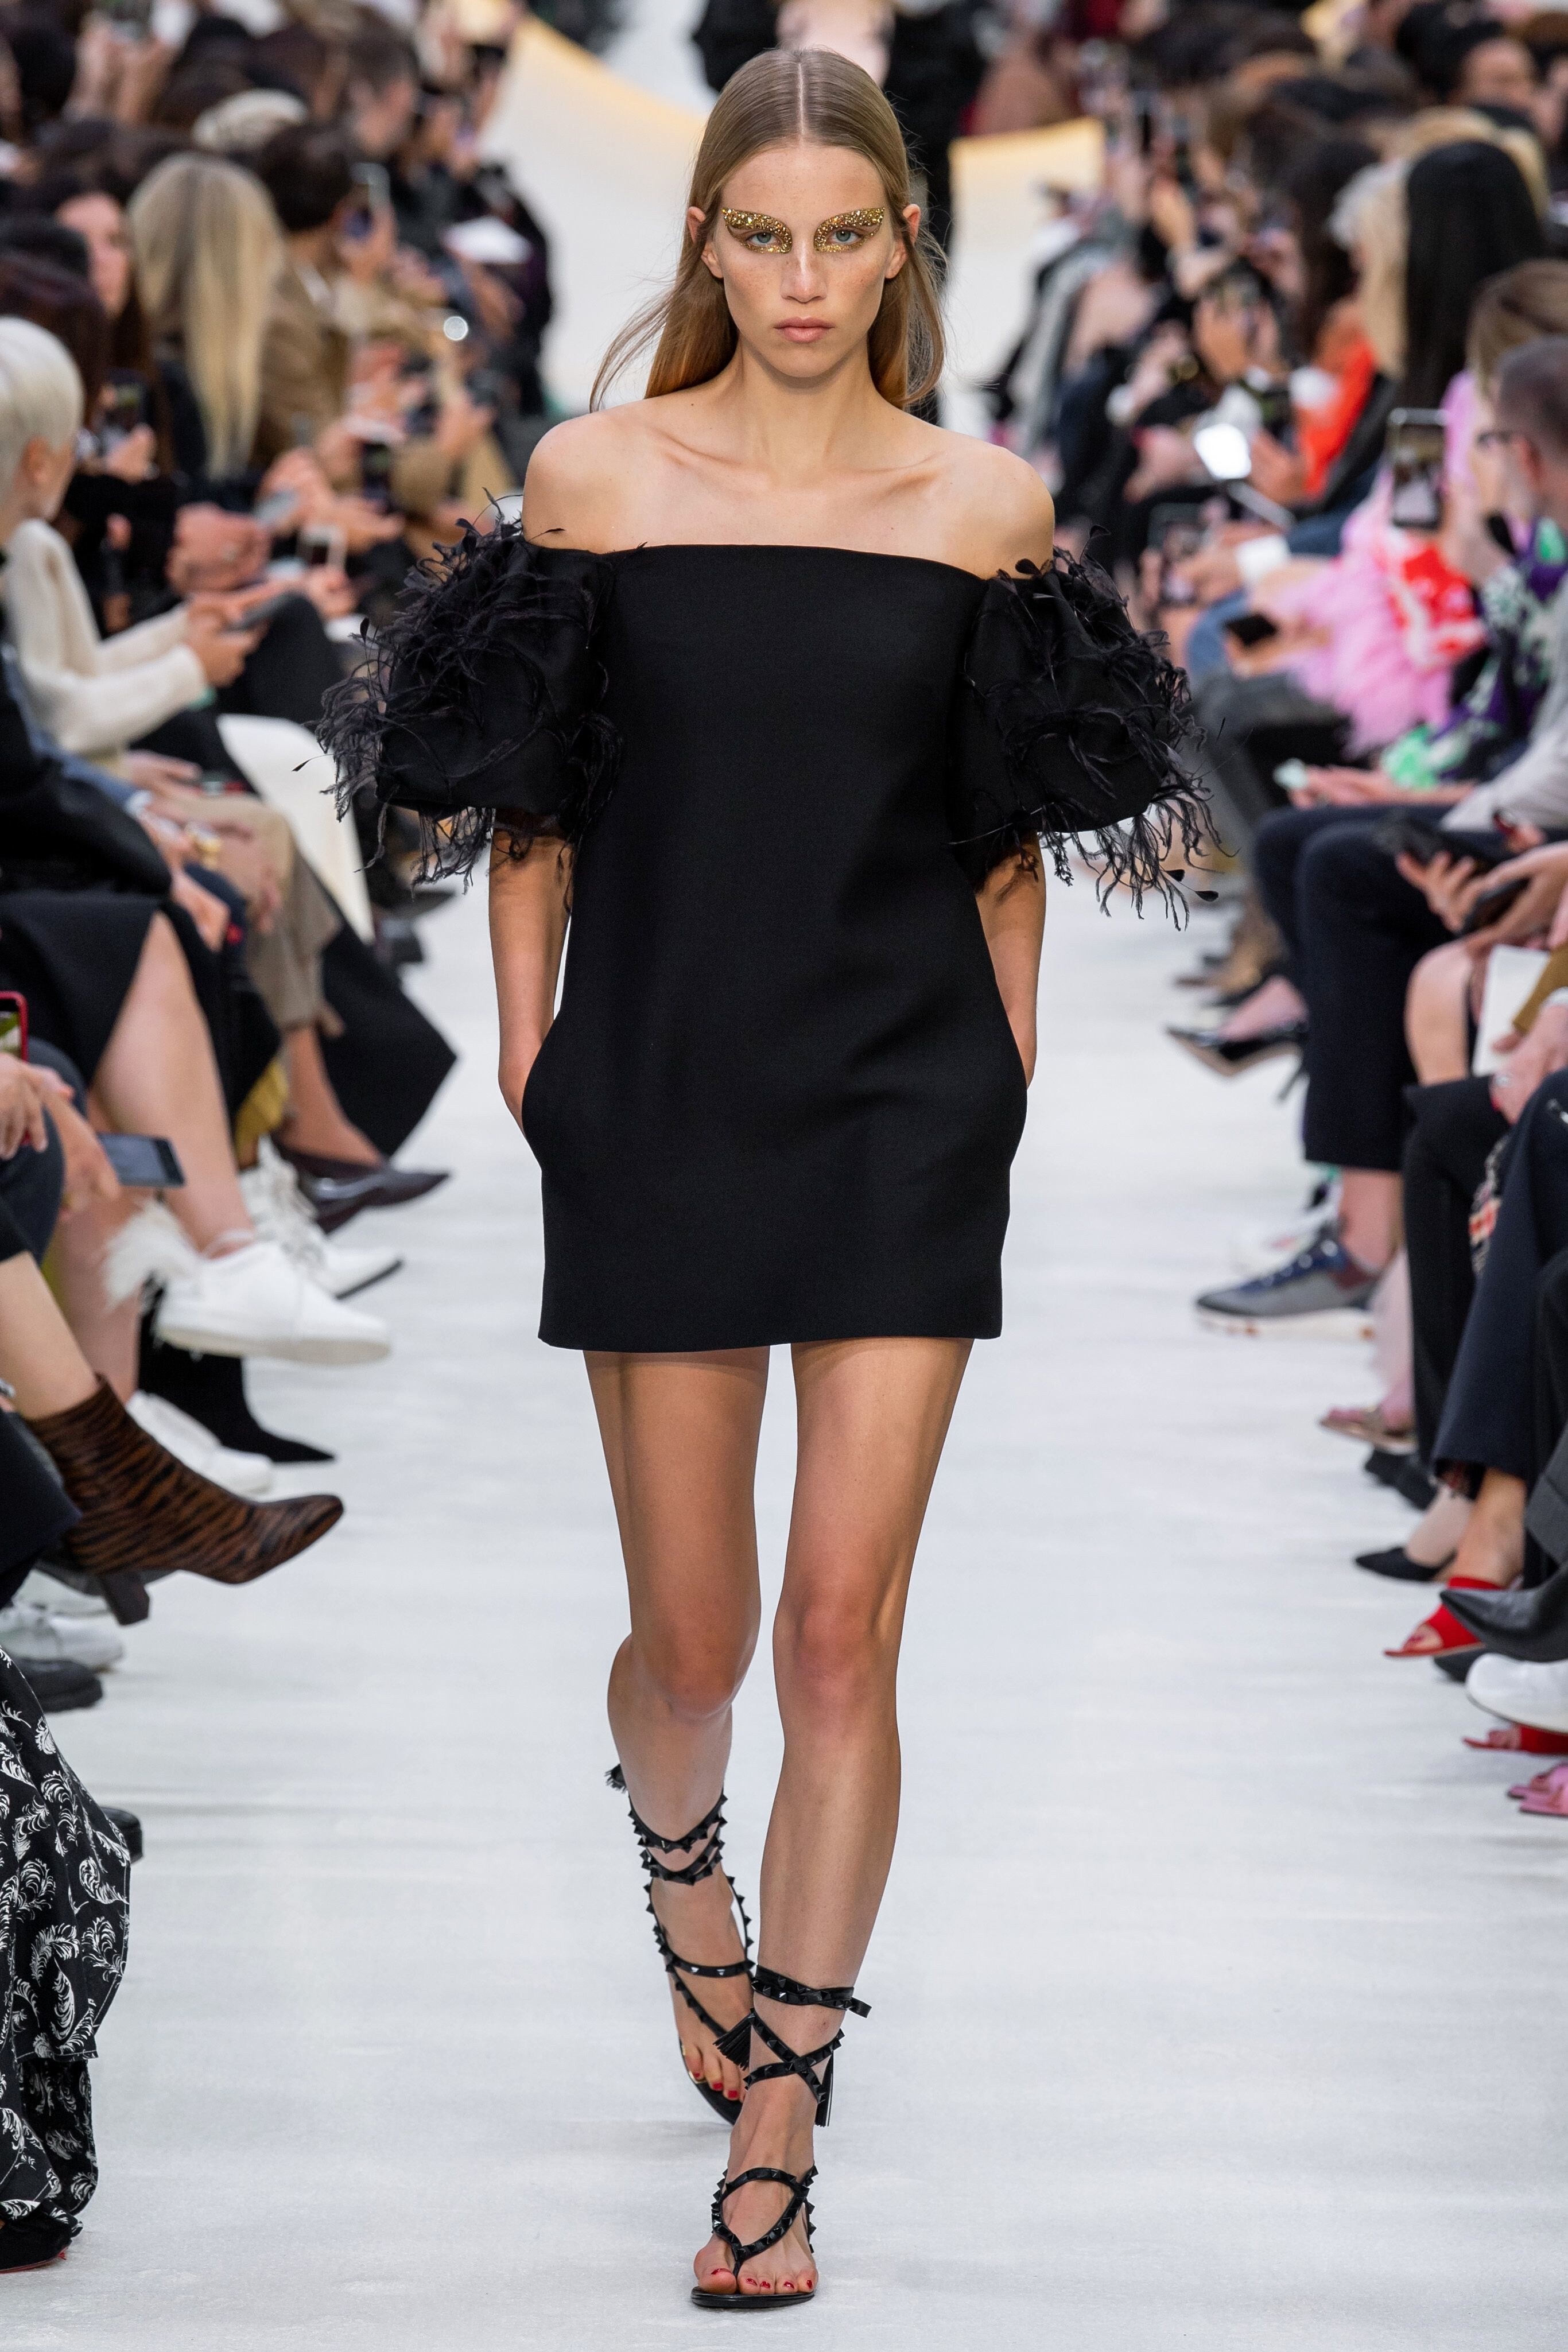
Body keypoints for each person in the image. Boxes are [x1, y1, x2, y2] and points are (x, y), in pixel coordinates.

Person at [326, 45, 1194, 2311]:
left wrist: (1005, 1055)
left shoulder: (981, 503)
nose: (801, 279)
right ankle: (680, 1867)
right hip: (661, 1076)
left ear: (899, 245)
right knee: (695, 1639)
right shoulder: (595, 475)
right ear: (704, 238)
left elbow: (1007, 821)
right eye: (761, 234)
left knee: (837, 1628)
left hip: (902, 1090)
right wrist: (530, 1039)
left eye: (841, 236)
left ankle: (781, 2121)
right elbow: (533, 794)